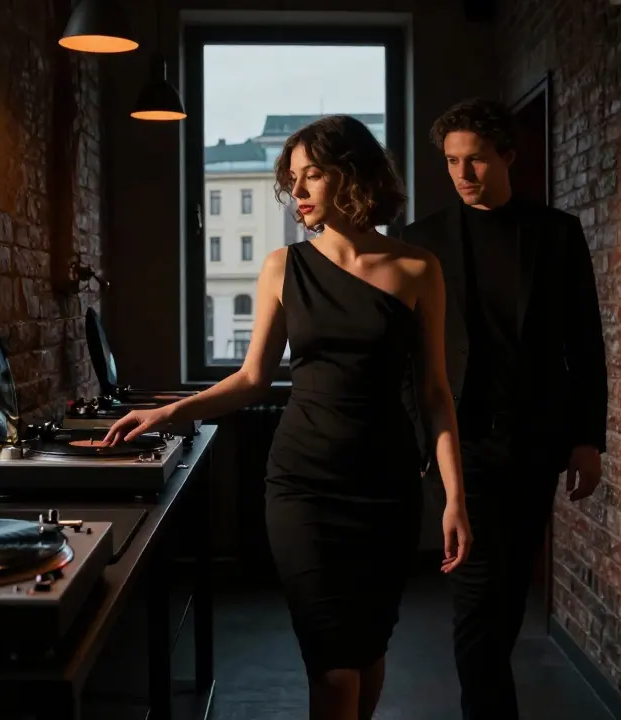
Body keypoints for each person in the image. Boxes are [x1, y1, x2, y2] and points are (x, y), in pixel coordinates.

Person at [106, 114, 472, 720]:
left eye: (311, 176)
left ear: (350, 175)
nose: (296, 191)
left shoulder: (416, 269)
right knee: (332, 667)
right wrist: (168, 412)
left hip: (386, 490)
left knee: (368, 647)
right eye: (292, 178)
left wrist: (454, 496)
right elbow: (252, 381)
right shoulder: (284, 266)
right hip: (303, 487)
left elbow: (435, 393)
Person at [399, 97, 608, 719]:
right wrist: (421, 438)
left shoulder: (556, 234)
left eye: (477, 161)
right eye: (452, 162)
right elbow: (410, 357)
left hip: (534, 443)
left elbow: (585, 342)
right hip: (459, 444)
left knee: (508, 596)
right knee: (476, 602)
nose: (463, 174)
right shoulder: (423, 239)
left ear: (508, 157)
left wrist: (586, 438)